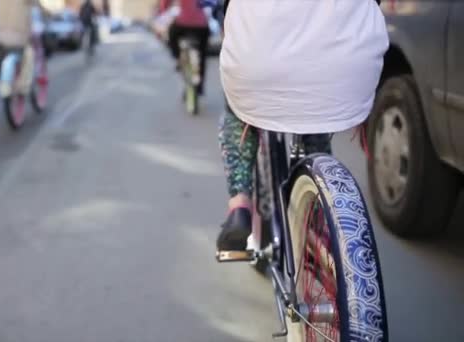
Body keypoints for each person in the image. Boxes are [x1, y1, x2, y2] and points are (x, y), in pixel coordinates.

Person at [216, 0, 388, 251]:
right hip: (345, 66)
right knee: (316, 115)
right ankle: (321, 203)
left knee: (237, 112)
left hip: (261, 65)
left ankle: (240, 204)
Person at [160, 0, 210, 95]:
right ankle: (199, 87)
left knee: (171, 34)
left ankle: (178, 57)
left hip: (183, 24)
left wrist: (164, 10)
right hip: (202, 25)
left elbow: (165, 3)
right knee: (202, 55)